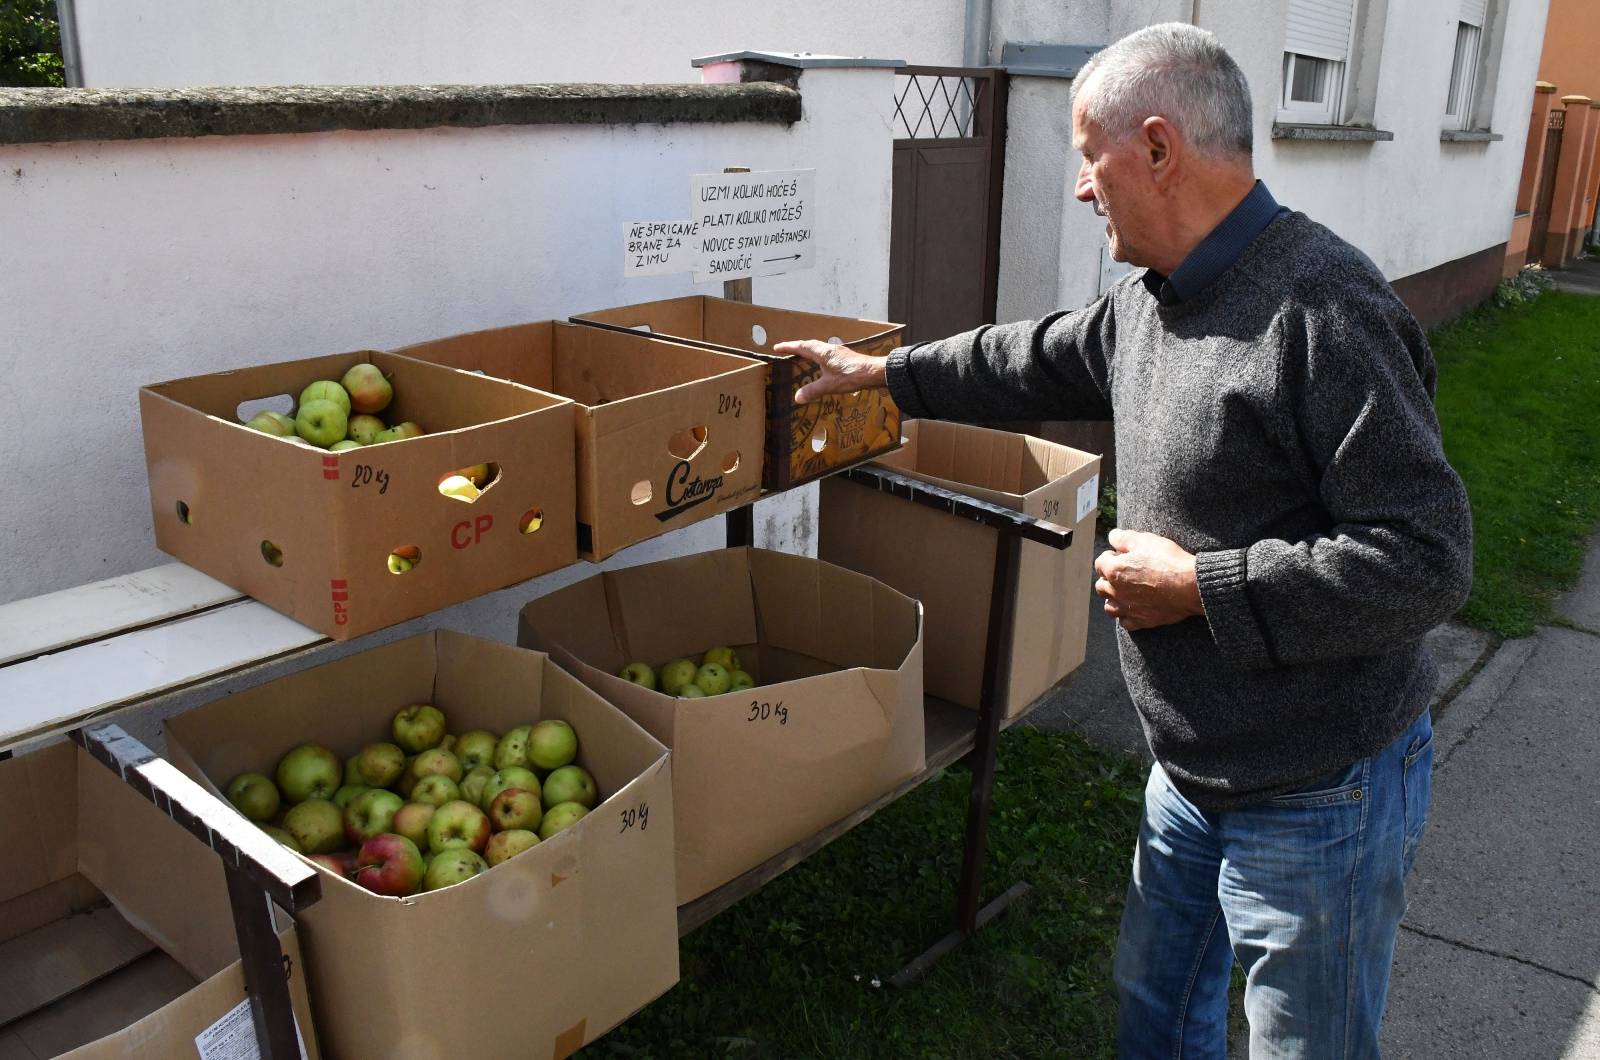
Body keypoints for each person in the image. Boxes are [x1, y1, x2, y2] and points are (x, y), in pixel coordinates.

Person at [774, 21, 1472, 1060]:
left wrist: (1202, 586)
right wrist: (881, 375)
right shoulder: (1154, 302)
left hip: (1320, 789)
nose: (1079, 188)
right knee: (1156, 1017)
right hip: (1189, 774)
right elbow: (1029, 358)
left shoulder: (1326, 310)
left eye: (1086, 157)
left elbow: (1426, 556)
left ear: (1156, 148)